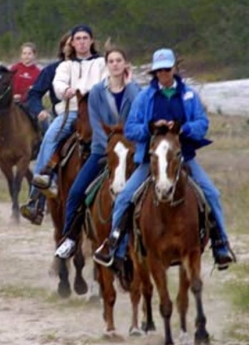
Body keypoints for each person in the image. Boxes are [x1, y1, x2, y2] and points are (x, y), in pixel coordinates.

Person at [92, 48, 235, 271]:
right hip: (150, 160)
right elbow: (131, 129)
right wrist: (152, 129)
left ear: (174, 69)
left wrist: (183, 129)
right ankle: (115, 245)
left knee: (211, 194)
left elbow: (202, 123)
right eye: (159, 71)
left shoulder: (189, 96)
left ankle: (220, 244)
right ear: (154, 73)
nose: (163, 74)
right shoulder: (144, 98)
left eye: (167, 69)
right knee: (124, 197)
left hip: (182, 158)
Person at [54, 46, 140, 259]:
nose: (115, 64)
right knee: (76, 192)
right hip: (102, 152)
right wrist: (109, 149)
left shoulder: (135, 91)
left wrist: (129, 146)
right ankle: (70, 238)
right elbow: (96, 125)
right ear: (106, 65)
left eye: (119, 60)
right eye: (111, 61)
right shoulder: (97, 94)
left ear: (125, 64)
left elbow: (138, 119)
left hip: (131, 151)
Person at [20, 24, 107, 223]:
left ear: (91, 41)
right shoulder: (63, 66)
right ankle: (38, 192)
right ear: (71, 44)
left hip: (97, 113)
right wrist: (64, 91)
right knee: (50, 136)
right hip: (72, 111)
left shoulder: (102, 63)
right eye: (78, 39)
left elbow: (107, 81)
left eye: (85, 38)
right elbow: (58, 84)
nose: (82, 42)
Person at [0, 42, 41, 164]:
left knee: (40, 121)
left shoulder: (37, 72)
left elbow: (37, 90)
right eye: (24, 53)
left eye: (29, 53)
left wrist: (24, 97)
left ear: (34, 55)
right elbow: (5, 84)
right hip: (12, 103)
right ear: (21, 55)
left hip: (29, 103)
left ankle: (41, 146)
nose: (27, 56)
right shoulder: (14, 69)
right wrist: (12, 96)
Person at [24, 33, 69, 135]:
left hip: (89, 115)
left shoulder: (94, 65)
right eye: (68, 45)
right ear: (63, 48)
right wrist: (39, 110)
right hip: (60, 114)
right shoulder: (51, 70)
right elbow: (34, 93)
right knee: (50, 138)